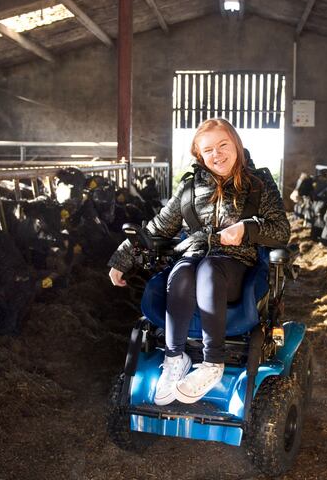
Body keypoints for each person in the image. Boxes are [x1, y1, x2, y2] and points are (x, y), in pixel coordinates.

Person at [108, 118, 290, 406]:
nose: (217, 154)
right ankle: (174, 358)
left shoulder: (259, 185)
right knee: (180, 272)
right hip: (194, 256)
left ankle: (212, 362)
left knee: (209, 269)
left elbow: (281, 231)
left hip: (236, 265)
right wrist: (123, 257)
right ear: (199, 155)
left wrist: (247, 229)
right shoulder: (189, 188)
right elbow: (158, 227)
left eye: (223, 145)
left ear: (236, 144)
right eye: (208, 150)